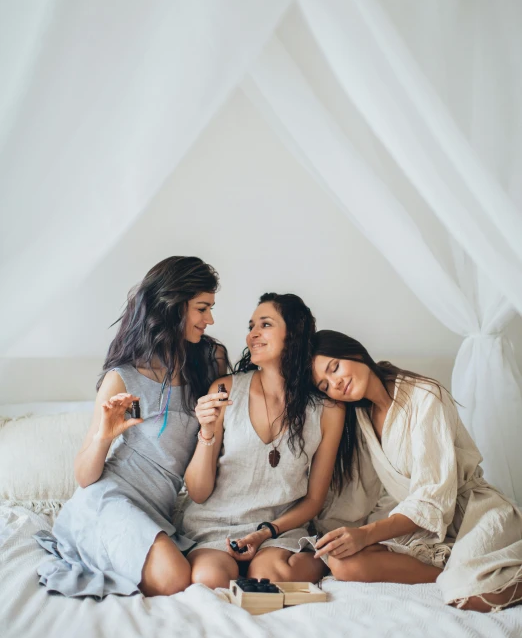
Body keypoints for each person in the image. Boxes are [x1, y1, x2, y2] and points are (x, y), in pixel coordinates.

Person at [34, 256, 227, 599]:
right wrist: (103, 437)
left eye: (210, 308)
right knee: (173, 579)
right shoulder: (122, 376)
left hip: (157, 509)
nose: (209, 319)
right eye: (201, 309)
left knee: (184, 576)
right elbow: (84, 476)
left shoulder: (210, 362)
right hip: (108, 498)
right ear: (173, 306)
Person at [311, 329, 522, 613]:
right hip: (416, 525)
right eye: (325, 386)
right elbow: (362, 494)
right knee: (342, 563)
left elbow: (433, 497)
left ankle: (463, 572)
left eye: (334, 368)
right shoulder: (361, 416)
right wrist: (327, 533)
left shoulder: (424, 395)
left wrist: (367, 534)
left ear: (355, 352)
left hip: (469, 514)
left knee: (470, 596)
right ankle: (448, 571)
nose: (336, 383)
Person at [182, 294, 346, 589]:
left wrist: (266, 533)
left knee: (270, 579)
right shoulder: (225, 389)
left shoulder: (329, 411)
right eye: (251, 326)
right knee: (209, 580)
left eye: (265, 324)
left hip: (278, 531)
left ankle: (313, 558)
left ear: (293, 333)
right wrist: (206, 431)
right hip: (219, 526)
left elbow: (314, 499)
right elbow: (197, 491)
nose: (252, 334)